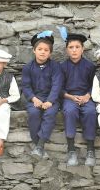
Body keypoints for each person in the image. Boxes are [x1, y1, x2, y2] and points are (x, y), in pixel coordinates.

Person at [22, 31, 63, 159]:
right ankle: (38, 145)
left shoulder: (55, 67)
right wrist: (34, 99)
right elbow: (26, 86)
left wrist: (50, 101)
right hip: (34, 99)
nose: (43, 52)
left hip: (51, 99)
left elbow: (57, 85)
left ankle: (39, 145)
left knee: (50, 114)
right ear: (34, 50)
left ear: (50, 53)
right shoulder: (28, 68)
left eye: (46, 50)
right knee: (34, 114)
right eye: (40, 49)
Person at [60, 28, 97, 167]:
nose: (74, 50)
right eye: (71, 47)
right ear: (66, 50)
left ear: (83, 49)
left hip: (86, 98)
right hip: (69, 98)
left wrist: (88, 95)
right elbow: (58, 87)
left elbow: (95, 85)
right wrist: (69, 96)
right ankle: (71, 150)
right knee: (69, 112)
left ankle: (91, 149)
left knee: (90, 112)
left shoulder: (90, 66)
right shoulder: (62, 67)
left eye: (77, 47)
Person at [0, 49, 19, 157]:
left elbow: (15, 95)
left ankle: (0, 141)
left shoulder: (10, 77)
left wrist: (3, 100)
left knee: (2, 112)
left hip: (4, 102)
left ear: (4, 64)